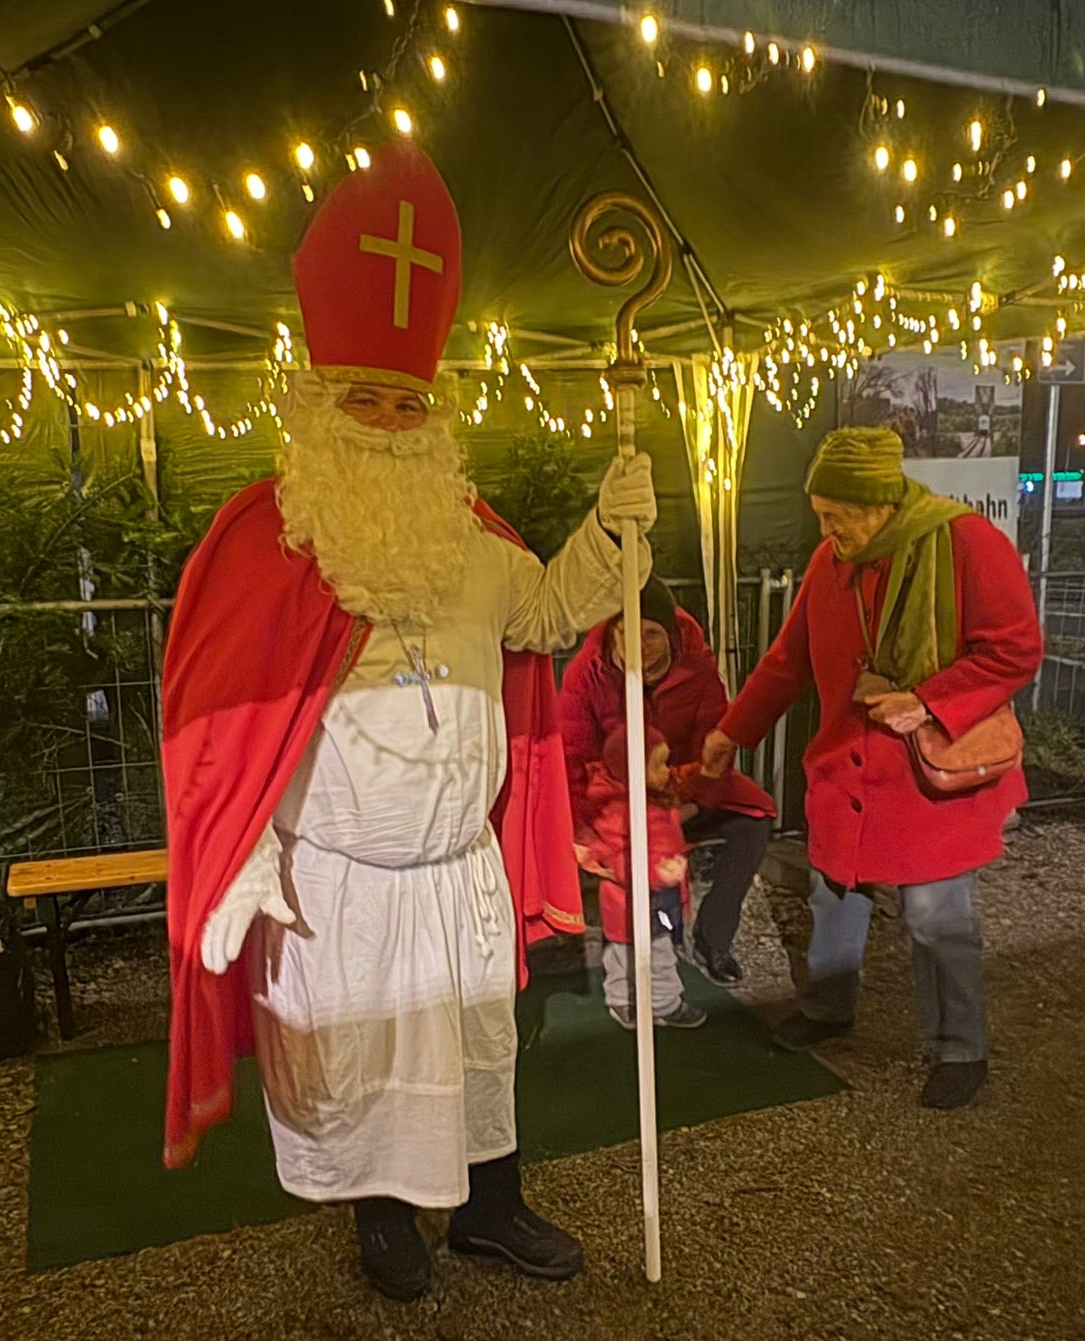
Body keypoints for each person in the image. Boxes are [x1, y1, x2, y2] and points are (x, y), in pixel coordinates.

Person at [161, 143, 657, 1302]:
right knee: (365, 1062)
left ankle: (491, 1210)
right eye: (366, 399)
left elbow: (542, 612)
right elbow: (215, 728)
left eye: (408, 401)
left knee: (483, 1048)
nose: (389, 420)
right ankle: (381, 1224)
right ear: (320, 408)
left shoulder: (471, 541)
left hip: (457, 868)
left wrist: (611, 532)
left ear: (434, 417)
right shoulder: (268, 547)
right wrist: (241, 863)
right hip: (339, 885)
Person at [703, 427, 1042, 1111]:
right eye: (819, 513)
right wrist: (729, 732)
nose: (824, 528)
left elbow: (1016, 650)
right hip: (846, 770)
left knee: (936, 915)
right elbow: (786, 661)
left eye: (836, 514)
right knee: (834, 889)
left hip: (928, 775)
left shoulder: (969, 544)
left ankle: (960, 1046)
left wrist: (928, 701)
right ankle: (828, 1006)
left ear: (881, 501)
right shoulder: (831, 559)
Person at [559, 576, 775, 986]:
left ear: (670, 635)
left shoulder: (699, 668)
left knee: (753, 821)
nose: (638, 645)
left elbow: (714, 750)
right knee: (624, 863)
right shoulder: (586, 676)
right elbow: (572, 758)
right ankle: (628, 951)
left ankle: (712, 940)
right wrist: (583, 829)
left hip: (680, 791)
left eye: (651, 634)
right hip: (615, 806)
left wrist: (686, 803)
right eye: (626, 633)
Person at [578, 724, 719, 1031]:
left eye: (667, 762)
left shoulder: (654, 796)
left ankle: (661, 1001)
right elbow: (614, 857)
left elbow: (664, 832)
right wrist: (655, 871)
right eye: (659, 764)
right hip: (629, 902)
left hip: (660, 895)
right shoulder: (618, 810)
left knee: (661, 947)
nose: (667, 771)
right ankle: (632, 1001)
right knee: (627, 952)